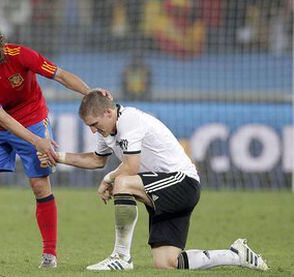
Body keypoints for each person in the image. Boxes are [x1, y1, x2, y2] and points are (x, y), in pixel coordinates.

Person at [0, 19, 104, 269]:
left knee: (39, 185)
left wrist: (92, 95)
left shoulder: (20, 55)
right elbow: (1, 117)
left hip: (33, 118)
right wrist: (39, 142)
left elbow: (60, 75)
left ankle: (49, 254)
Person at [38, 90, 269, 271]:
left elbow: (130, 168)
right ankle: (235, 255)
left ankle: (121, 257)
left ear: (108, 113)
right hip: (164, 190)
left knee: (123, 182)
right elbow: (97, 160)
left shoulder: (130, 121)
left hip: (181, 183)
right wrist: (58, 157)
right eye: (89, 126)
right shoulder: (108, 131)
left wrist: (108, 179)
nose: (92, 131)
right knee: (167, 262)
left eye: (94, 124)